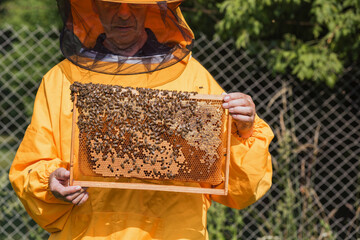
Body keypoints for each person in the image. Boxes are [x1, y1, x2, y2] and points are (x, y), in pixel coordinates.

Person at [9, 0, 274, 239]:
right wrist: (50, 181)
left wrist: (244, 130)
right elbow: (30, 168)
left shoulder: (193, 78)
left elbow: (240, 189)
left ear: (150, 8)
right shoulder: (61, 79)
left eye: (134, 4)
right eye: (112, 3)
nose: (123, 13)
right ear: (94, 7)